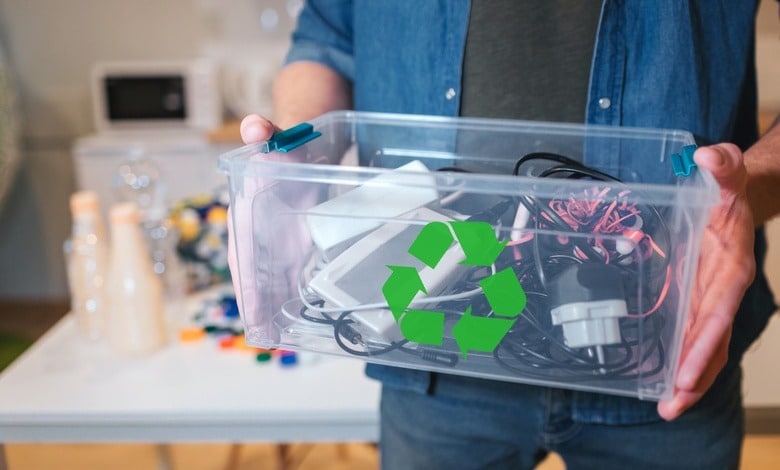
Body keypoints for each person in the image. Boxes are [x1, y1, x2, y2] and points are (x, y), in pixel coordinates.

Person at [233, 1, 779, 468]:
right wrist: (296, 162)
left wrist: (737, 194)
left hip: (662, 343)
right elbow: (324, 39)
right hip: (429, 353)